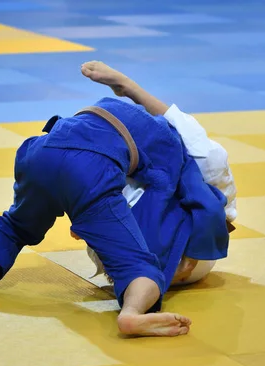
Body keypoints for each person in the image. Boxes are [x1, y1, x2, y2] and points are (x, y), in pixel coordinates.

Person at [0, 62, 233, 338]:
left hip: (41, 149)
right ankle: (131, 314)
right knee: (141, 263)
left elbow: (162, 119)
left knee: (14, 225)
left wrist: (124, 85)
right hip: (91, 168)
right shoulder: (184, 155)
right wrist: (174, 255)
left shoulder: (147, 122)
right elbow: (176, 201)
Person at [78, 62, 237, 287]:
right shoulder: (201, 161)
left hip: (160, 263)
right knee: (203, 154)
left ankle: (129, 90)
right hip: (183, 262)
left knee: (199, 156)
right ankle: (130, 89)